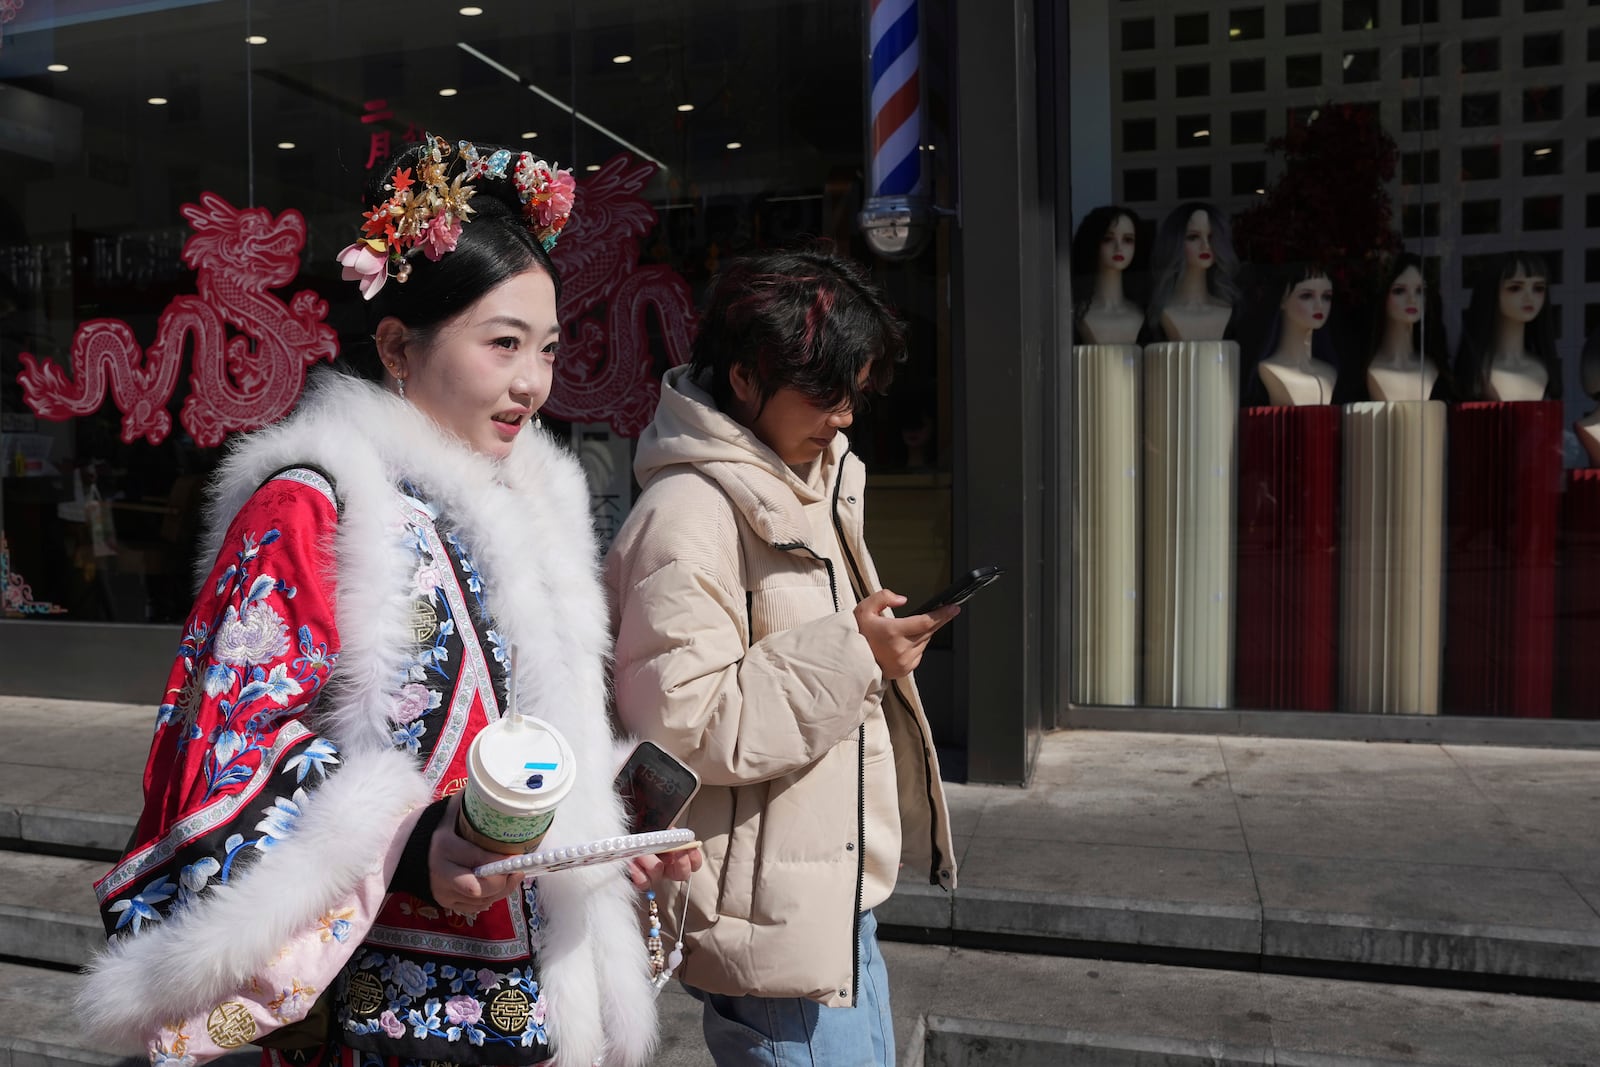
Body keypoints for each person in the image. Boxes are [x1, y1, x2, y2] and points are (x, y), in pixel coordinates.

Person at [78, 135, 697, 1067]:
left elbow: (523, 733)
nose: (533, 382)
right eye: (502, 345)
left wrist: (600, 828)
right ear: (400, 346)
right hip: (385, 1011)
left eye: (548, 349)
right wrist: (410, 844)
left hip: (531, 996)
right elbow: (228, 755)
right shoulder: (318, 504)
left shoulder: (531, 502)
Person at [605, 247, 960, 1066]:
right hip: (768, 917)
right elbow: (684, 719)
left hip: (824, 894)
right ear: (743, 377)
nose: (844, 416)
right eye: (827, 392)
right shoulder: (687, 512)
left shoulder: (810, 478)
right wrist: (854, 654)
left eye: (856, 393)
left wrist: (871, 653)